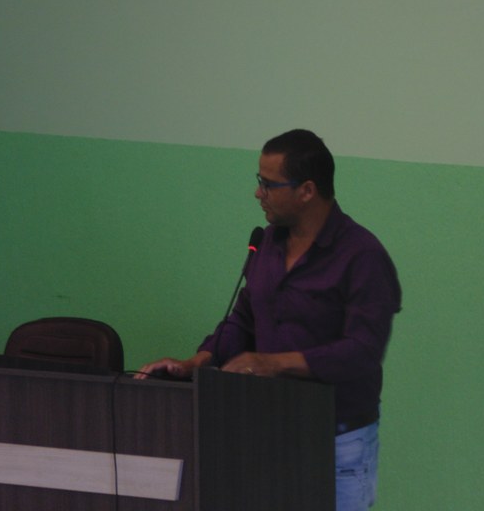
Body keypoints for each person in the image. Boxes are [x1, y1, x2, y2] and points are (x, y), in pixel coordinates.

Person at [136, 129, 401, 511]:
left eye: (268, 184)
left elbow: (362, 351)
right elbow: (244, 320)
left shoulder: (362, 256)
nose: (257, 193)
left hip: (337, 439)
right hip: (268, 428)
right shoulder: (268, 244)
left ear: (307, 190)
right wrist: (195, 362)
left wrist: (273, 363)